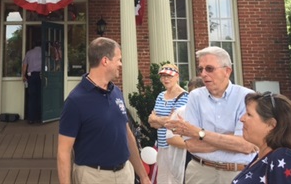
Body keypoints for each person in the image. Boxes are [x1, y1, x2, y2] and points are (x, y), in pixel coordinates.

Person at [57, 37, 151, 184]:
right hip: (93, 177)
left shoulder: (117, 92)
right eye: (118, 59)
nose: (121, 64)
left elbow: (126, 134)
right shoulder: (75, 101)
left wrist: (143, 175)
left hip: (125, 174)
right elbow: (64, 152)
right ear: (105, 61)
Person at [165, 46, 258, 184]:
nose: (203, 74)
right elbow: (192, 145)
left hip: (237, 173)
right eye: (200, 69)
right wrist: (231, 141)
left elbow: (247, 145)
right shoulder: (195, 97)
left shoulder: (247, 97)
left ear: (227, 71)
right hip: (200, 172)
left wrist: (200, 133)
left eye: (209, 69)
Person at [231, 91, 291, 183]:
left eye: (249, 114)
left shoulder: (284, 158)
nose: (242, 119)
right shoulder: (262, 155)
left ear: (271, 125)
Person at [148, 63, 188, 183]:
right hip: (161, 145)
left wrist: (156, 118)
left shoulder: (184, 96)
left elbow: (175, 123)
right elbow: (151, 122)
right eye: (163, 76)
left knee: (176, 180)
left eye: (169, 76)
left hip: (176, 146)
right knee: (163, 180)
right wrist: (162, 120)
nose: (165, 79)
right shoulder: (161, 96)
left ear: (177, 77)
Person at [165, 76, 205, 184]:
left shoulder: (212, 113)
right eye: (191, 93)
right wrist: (195, 144)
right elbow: (170, 138)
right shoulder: (181, 112)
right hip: (187, 160)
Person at [22, 41, 42, 124]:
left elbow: (25, 65)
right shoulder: (44, 53)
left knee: (32, 97)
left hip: (31, 76)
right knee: (40, 97)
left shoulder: (29, 53)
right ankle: (39, 118)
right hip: (41, 76)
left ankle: (31, 118)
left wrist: (24, 75)